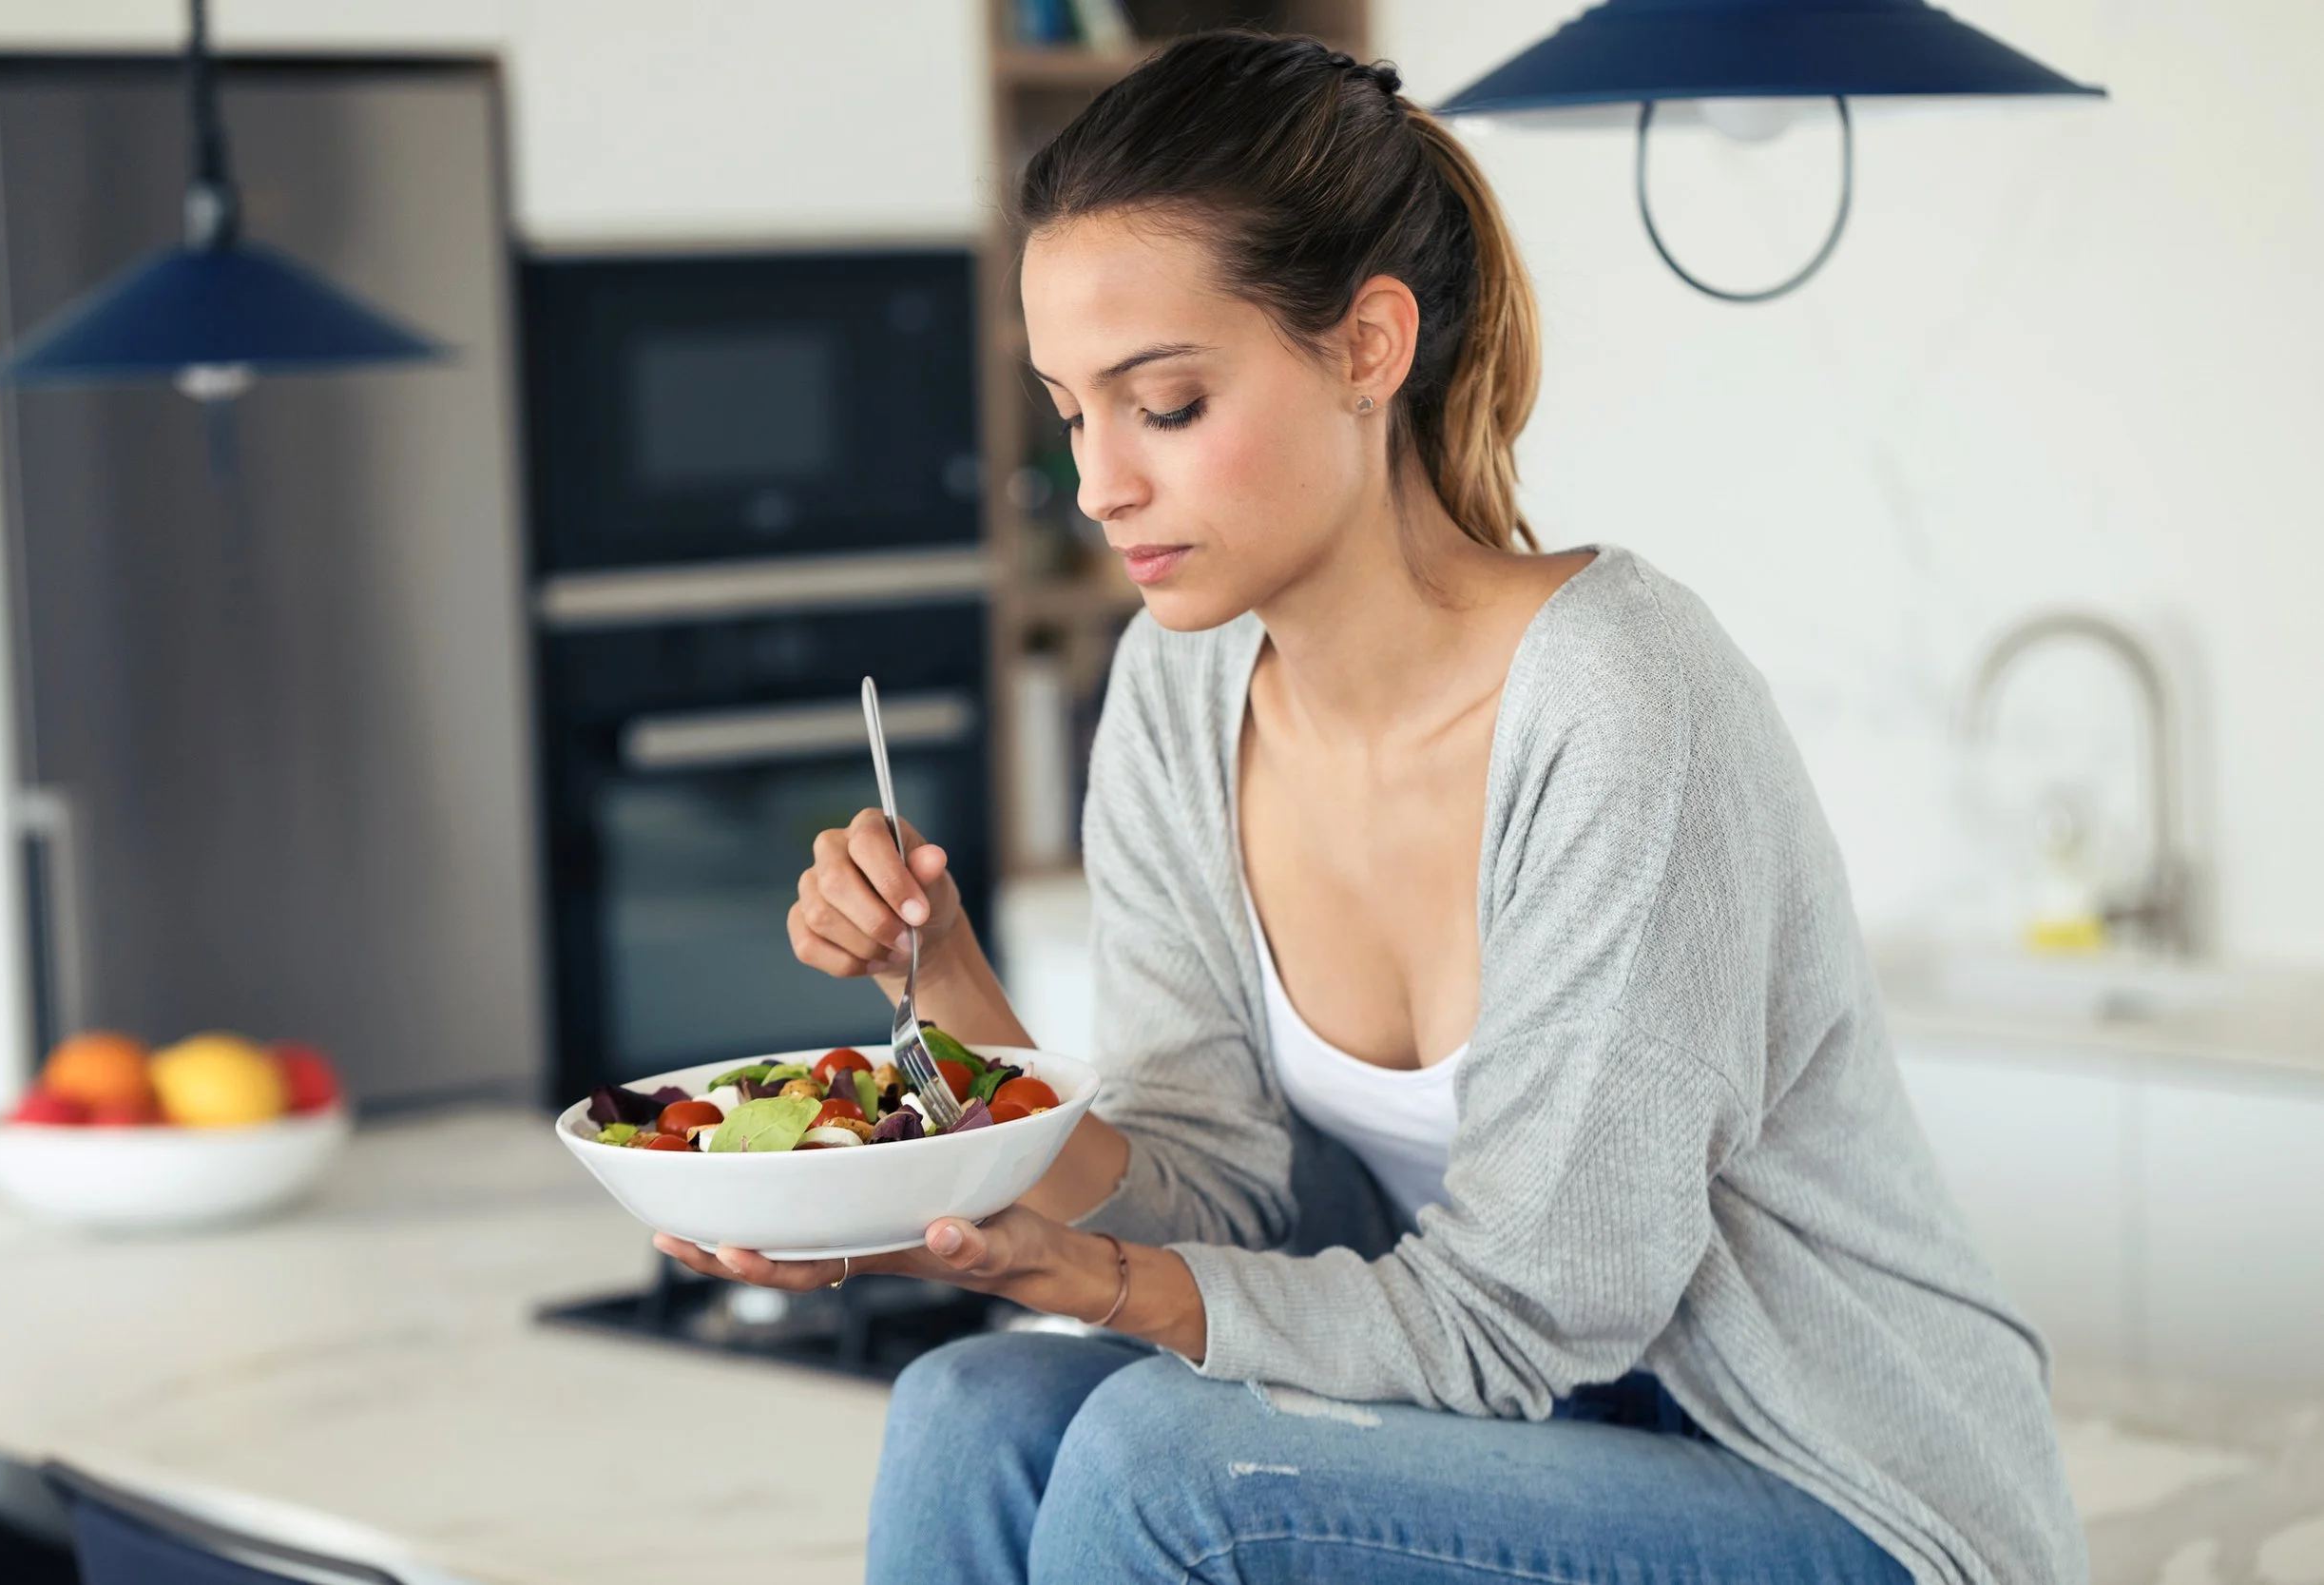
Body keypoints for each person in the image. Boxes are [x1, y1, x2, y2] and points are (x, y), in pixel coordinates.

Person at [654, 29, 2085, 1585]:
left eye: (1168, 404)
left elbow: (1532, 1310)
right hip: (1540, 1435)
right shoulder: (1178, 696)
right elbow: (1215, 1192)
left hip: (1836, 1492)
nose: (1099, 485)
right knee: (969, 1404)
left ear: (1366, 347)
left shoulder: (1621, 703)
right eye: (1073, 413)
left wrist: (1103, 1281)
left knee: (1165, 1466)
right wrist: (942, 1005)